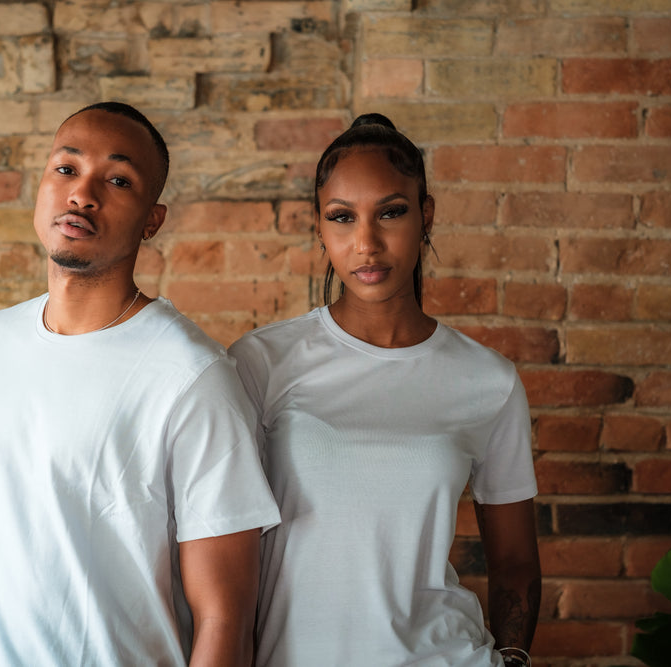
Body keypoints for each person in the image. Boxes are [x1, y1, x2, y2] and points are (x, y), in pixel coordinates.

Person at [0, 102, 280, 667]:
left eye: (118, 180)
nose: (83, 194)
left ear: (152, 220)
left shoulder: (192, 376)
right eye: (66, 169)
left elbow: (224, 615)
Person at [228, 113, 541, 667]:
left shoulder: (488, 381)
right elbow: (224, 552)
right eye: (342, 218)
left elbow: (514, 560)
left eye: (391, 212)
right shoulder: (262, 362)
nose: (366, 242)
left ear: (426, 215)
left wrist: (513, 657)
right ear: (320, 229)